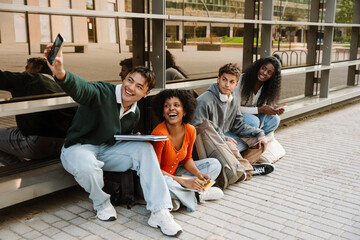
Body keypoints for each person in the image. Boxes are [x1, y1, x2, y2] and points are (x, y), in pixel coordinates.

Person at [44, 48, 182, 237]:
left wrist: (133, 137)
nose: (131, 88)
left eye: (139, 87)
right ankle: (101, 203)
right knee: (87, 166)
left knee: (144, 148)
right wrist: (60, 73)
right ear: (125, 79)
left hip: (107, 150)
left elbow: (118, 134)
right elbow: (81, 88)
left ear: (146, 93)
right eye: (130, 80)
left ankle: (160, 211)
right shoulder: (102, 92)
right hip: (78, 148)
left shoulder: (135, 112)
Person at [191, 63, 274, 176]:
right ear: (218, 79)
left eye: (231, 82)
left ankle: (241, 167)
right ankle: (248, 171)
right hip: (210, 144)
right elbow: (196, 130)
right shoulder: (204, 100)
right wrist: (223, 138)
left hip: (226, 138)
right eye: (224, 79)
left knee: (259, 141)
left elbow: (239, 124)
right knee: (230, 145)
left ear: (236, 85)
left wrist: (259, 133)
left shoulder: (233, 100)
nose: (227, 84)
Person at [151, 89, 223, 212]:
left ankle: (176, 199)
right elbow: (155, 171)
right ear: (162, 112)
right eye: (167, 106)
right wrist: (183, 181)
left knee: (215, 164)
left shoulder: (190, 130)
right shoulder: (159, 134)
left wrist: (198, 174)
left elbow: (187, 159)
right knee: (165, 184)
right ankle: (198, 195)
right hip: (160, 178)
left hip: (176, 173)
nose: (171, 108)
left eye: (176, 105)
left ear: (184, 111)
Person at [0, 57, 76, 166]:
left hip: (36, 143)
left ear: (38, 68)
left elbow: (2, 78)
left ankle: (18, 168)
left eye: (27, 68)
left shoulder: (30, 79)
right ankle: (21, 168)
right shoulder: (62, 85)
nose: (25, 71)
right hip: (64, 144)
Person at [234, 54, 284, 135]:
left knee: (275, 119)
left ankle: (258, 137)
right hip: (236, 116)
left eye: (269, 72)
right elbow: (235, 109)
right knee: (253, 122)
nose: (264, 73)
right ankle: (250, 138)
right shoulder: (241, 81)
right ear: (259, 66)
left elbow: (262, 107)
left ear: (272, 77)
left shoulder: (267, 87)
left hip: (253, 116)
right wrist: (261, 109)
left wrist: (273, 109)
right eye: (263, 68)